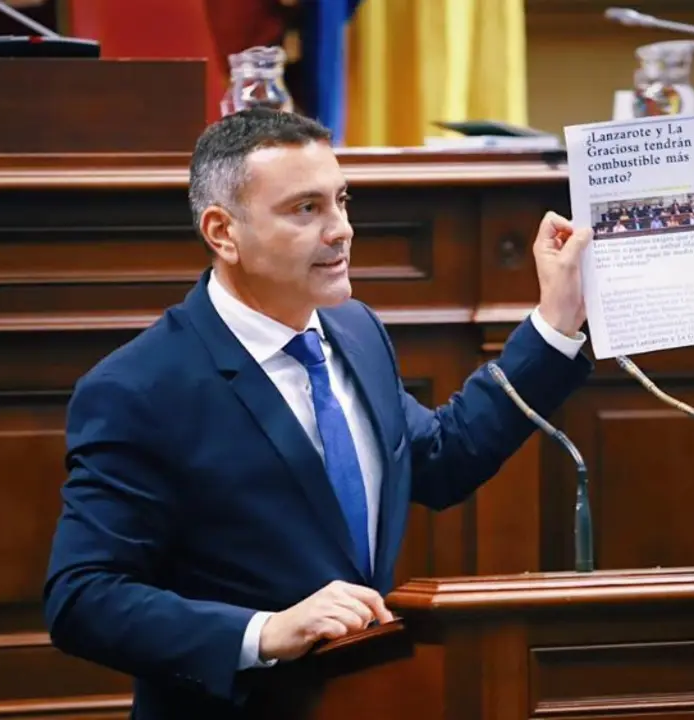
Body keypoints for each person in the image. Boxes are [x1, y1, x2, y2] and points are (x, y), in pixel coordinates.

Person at [43, 108, 595, 719]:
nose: (342, 230)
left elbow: (440, 459)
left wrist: (555, 324)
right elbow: (84, 598)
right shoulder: (139, 388)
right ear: (223, 232)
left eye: (342, 201)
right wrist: (264, 631)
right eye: (306, 209)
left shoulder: (353, 330)